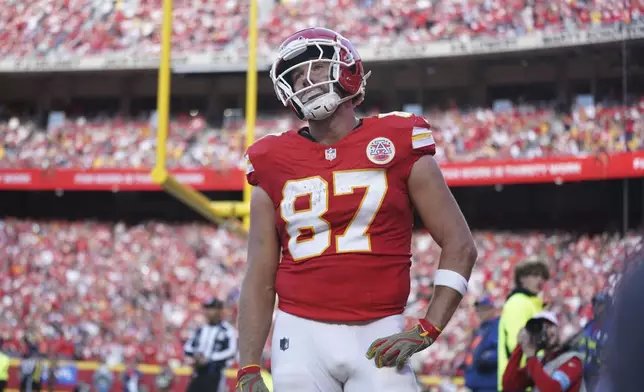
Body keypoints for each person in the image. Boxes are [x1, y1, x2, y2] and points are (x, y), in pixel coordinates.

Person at [236, 27, 478, 392]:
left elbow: (460, 244)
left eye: (315, 69)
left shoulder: (398, 140)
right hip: (299, 334)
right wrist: (248, 365)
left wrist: (429, 328)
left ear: (347, 70)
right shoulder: (270, 160)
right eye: (297, 76)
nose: (306, 81)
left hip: (379, 330)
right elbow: (259, 274)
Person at [497, 258, 549, 390]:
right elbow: (518, 344)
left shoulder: (532, 304)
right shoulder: (518, 303)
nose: (540, 280)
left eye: (542, 276)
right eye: (535, 275)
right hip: (519, 383)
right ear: (522, 278)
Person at [502, 311, 585, 392]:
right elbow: (509, 385)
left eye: (549, 326)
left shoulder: (572, 361)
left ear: (558, 328)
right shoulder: (540, 362)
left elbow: (553, 389)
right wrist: (520, 347)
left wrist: (531, 358)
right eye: (541, 329)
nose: (547, 332)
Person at [184, 298, 238, 392]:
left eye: (212, 308)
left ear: (220, 311)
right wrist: (195, 356)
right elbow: (188, 346)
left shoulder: (227, 330)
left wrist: (209, 358)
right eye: (207, 308)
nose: (208, 312)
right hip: (198, 372)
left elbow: (231, 351)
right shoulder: (200, 329)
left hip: (216, 373)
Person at [463, 296, 499, 392]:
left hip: (489, 383)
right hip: (477, 382)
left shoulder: (496, 326)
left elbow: (498, 351)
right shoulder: (480, 329)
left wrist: (482, 360)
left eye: (484, 309)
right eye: (479, 309)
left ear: (492, 309)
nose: (480, 312)